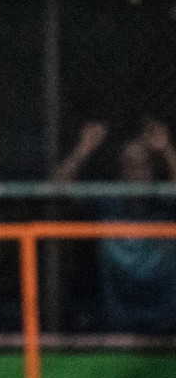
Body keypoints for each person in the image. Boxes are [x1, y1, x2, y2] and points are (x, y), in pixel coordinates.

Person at [53, 119, 176, 332]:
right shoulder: (109, 202)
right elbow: (58, 188)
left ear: (153, 169)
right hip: (118, 318)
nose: (136, 171)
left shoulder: (163, 202)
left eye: (143, 164)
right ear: (121, 170)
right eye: (129, 164)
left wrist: (166, 151)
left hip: (167, 316)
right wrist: (83, 150)